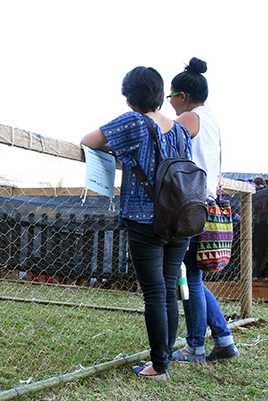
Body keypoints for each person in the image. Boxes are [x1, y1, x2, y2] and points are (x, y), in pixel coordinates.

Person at [81, 66, 192, 380]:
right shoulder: (181, 130)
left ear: (129, 97)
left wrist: (122, 151)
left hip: (145, 219)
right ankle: (163, 360)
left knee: (154, 293)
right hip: (180, 219)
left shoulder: (133, 122)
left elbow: (88, 141)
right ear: (159, 94)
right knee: (168, 290)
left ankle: (158, 366)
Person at [167, 58, 239, 362]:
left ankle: (195, 345)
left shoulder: (190, 118)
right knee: (193, 276)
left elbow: (162, 142)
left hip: (192, 205)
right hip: (209, 205)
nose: (170, 104)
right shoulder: (211, 119)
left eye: (170, 97)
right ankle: (222, 338)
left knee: (189, 278)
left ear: (182, 96)